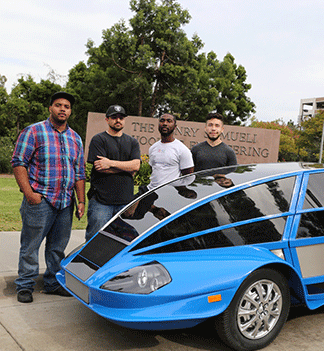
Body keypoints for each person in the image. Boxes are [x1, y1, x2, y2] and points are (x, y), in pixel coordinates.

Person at [11, 91, 86, 303]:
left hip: (65, 203)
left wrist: (80, 201)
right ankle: (25, 285)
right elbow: (18, 163)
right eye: (58, 105)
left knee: (57, 248)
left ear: (70, 111)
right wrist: (29, 194)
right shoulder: (33, 131)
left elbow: (79, 172)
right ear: (50, 108)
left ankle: (53, 283)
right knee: (30, 245)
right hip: (40, 200)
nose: (63, 109)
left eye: (67, 107)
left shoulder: (75, 138)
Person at [85, 105, 141, 241]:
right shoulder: (99, 140)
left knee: (124, 242)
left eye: (121, 118)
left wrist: (110, 163)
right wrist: (126, 168)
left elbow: (136, 166)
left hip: (125, 203)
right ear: (107, 119)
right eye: (114, 117)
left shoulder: (132, 142)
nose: (118, 120)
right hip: (101, 202)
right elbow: (100, 168)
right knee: (94, 242)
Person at [147, 113, 194, 190]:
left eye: (169, 121)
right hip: (151, 190)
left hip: (170, 193)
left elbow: (188, 177)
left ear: (175, 127)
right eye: (162, 121)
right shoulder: (153, 148)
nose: (165, 123)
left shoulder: (182, 150)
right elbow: (153, 169)